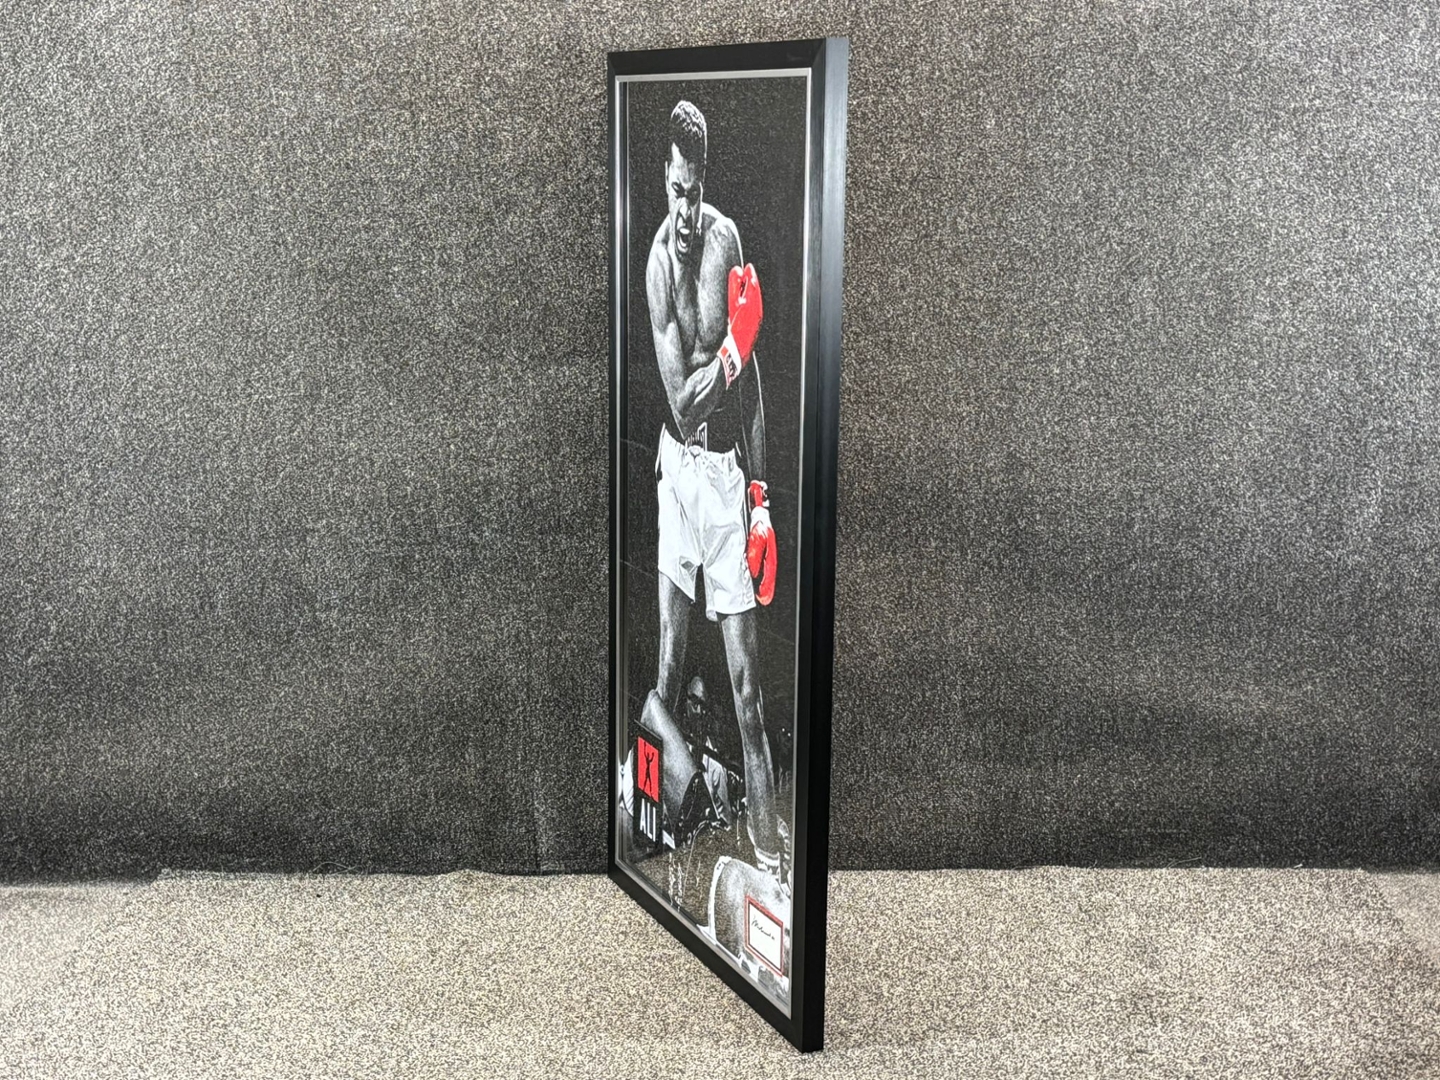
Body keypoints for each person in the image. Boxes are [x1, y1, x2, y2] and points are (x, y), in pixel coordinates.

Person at [634, 99, 782, 875]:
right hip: (676, 472)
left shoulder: (726, 242)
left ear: (704, 182)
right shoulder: (658, 267)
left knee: (747, 690)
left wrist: (761, 500)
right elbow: (685, 398)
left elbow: (746, 387)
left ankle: (771, 860)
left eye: (693, 193)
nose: (685, 212)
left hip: (723, 480)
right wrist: (732, 350)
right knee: (666, 664)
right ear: (662, 182)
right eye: (674, 192)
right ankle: (648, 834)